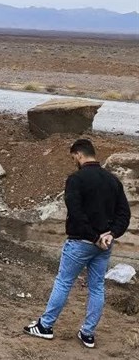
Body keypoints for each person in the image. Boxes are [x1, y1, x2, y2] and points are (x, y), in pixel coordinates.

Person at [23, 138, 131, 349]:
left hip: (81, 242)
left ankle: (45, 326)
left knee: (64, 282)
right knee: (97, 287)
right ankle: (88, 334)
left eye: (73, 157)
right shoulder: (112, 181)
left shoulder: (76, 179)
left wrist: (93, 237)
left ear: (79, 155)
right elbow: (124, 214)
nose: (74, 161)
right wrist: (111, 235)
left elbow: (76, 213)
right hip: (105, 244)